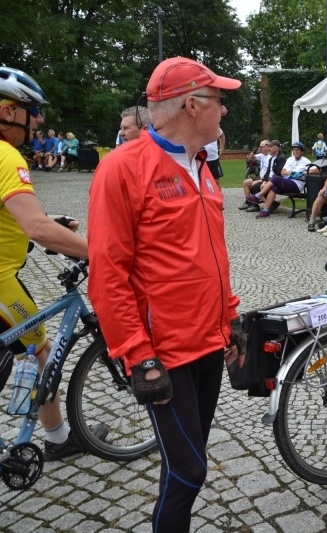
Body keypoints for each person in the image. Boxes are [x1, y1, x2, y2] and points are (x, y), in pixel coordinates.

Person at [87, 56, 244, 532]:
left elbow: (212, 255)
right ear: (193, 105)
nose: (224, 111)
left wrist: (231, 319)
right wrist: (138, 356)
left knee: (183, 467)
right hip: (164, 353)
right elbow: (108, 275)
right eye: (219, 100)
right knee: (189, 470)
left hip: (208, 345)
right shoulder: (123, 168)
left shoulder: (202, 167)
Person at [0, 66, 106, 461]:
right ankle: (60, 438)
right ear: (9, 112)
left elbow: (18, 217)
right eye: (33, 110)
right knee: (41, 350)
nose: (40, 119)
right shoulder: (6, 156)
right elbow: (36, 227)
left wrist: (52, 222)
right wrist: (100, 252)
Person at [254, 141, 318, 219]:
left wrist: (303, 173)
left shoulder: (305, 161)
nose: (295, 152)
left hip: (297, 184)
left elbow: (317, 170)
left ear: (302, 152)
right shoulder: (290, 159)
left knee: (275, 178)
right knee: (274, 188)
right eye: (294, 150)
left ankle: (258, 195)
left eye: (297, 150)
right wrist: (292, 173)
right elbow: (282, 172)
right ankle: (266, 210)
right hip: (287, 181)